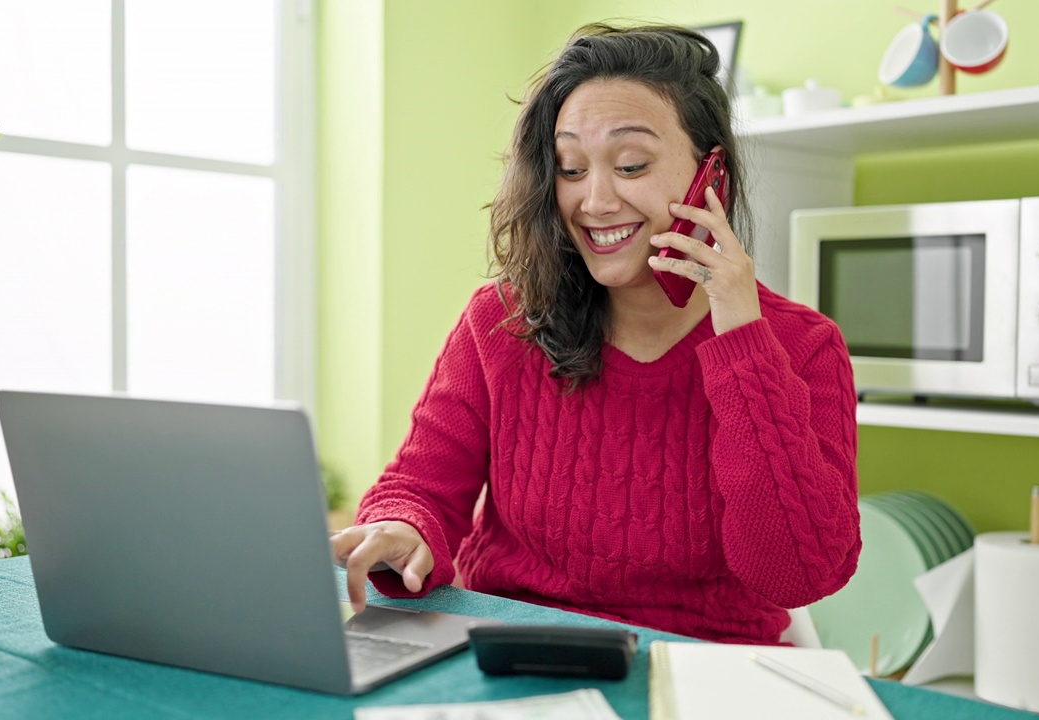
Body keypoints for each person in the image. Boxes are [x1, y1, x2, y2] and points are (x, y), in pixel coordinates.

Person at [330, 22, 860, 645]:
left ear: (711, 177)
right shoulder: (501, 321)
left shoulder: (803, 347)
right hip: (509, 651)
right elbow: (419, 487)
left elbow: (800, 574)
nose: (596, 201)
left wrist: (742, 337)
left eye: (631, 164)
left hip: (701, 675)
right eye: (570, 169)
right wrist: (403, 527)